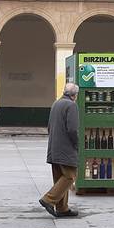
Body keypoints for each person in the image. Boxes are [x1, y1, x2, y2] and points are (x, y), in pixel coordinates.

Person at [39, 83, 80, 218]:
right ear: (75, 95)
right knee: (70, 176)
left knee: (59, 178)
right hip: (66, 148)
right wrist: (76, 144)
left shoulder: (56, 103)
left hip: (54, 147)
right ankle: (48, 199)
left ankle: (62, 208)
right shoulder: (72, 105)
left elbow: (49, 126)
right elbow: (73, 129)